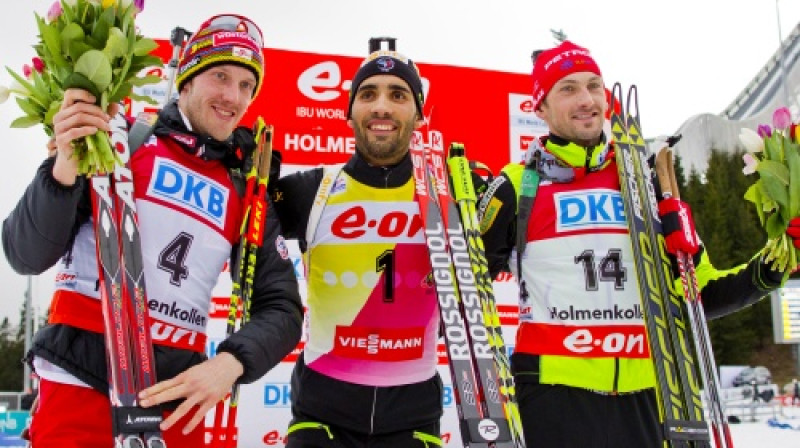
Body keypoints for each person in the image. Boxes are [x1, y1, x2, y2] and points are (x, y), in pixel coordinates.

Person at [2, 14, 303, 448]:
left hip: (178, 400)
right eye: (220, 76)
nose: (232, 96)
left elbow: (282, 308)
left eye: (245, 86)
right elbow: (23, 253)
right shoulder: (121, 139)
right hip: (80, 384)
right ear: (186, 81)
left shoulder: (242, 187)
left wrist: (230, 363)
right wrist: (64, 168)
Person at [478, 40, 797, 447]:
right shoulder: (516, 185)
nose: (586, 99)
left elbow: (701, 293)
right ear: (539, 107)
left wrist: (772, 267)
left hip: (649, 396)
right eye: (568, 88)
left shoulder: (648, 184)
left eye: (594, 86)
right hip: (553, 398)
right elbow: (468, 287)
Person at [269, 50, 443, 447]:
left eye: (398, 95)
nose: (381, 106)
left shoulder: (446, 197)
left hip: (413, 415)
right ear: (349, 114)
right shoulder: (311, 189)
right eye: (368, 94)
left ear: (420, 116)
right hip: (322, 414)